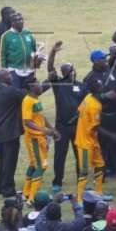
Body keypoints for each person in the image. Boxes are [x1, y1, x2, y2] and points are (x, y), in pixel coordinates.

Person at [46, 41, 84, 192]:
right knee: (59, 156)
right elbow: (50, 68)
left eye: (72, 69)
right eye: (69, 70)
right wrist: (53, 53)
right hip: (62, 126)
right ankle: (57, 181)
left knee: (79, 154)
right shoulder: (58, 85)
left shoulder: (82, 85)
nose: (72, 72)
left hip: (78, 126)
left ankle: (81, 179)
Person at [0, 69, 26, 197]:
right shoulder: (11, 92)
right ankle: (8, 189)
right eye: (8, 75)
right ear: (3, 78)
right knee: (9, 162)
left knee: (2, 161)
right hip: (11, 133)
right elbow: (27, 94)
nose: (11, 76)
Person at [22, 78, 60, 201]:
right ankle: (32, 199)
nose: (41, 85)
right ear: (32, 87)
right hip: (34, 138)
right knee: (41, 166)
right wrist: (44, 130)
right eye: (38, 84)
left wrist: (52, 129)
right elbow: (27, 121)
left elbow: (41, 117)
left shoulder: (35, 99)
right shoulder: (28, 101)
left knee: (34, 165)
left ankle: (26, 193)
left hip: (40, 138)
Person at [75, 80, 110, 201]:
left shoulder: (88, 97)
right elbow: (96, 126)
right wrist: (111, 135)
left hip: (92, 140)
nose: (102, 86)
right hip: (85, 142)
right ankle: (79, 199)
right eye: (100, 85)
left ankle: (98, 193)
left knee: (100, 164)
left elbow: (79, 110)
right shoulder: (95, 105)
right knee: (84, 171)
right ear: (97, 89)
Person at [0, 13, 36, 89]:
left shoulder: (29, 34)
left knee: (27, 94)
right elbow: (2, 54)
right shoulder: (6, 36)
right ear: (13, 23)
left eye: (22, 19)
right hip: (14, 70)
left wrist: (37, 57)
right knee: (15, 93)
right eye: (18, 20)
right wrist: (4, 70)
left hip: (29, 70)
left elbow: (34, 50)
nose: (21, 21)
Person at [0, 7, 15, 75]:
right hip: (1, 62)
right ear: (5, 15)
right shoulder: (1, 28)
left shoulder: (11, 27)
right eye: (12, 13)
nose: (14, 15)